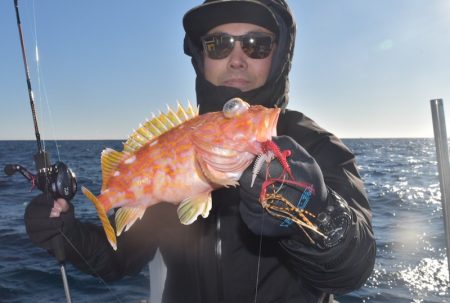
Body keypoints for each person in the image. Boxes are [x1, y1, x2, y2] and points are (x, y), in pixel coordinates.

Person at [25, 1, 376, 302]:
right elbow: (120, 259)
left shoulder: (315, 144)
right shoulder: (175, 150)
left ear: (280, 55)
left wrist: (315, 215)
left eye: (256, 44)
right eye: (219, 44)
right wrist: (67, 234)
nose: (237, 59)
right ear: (201, 56)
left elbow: (353, 270)